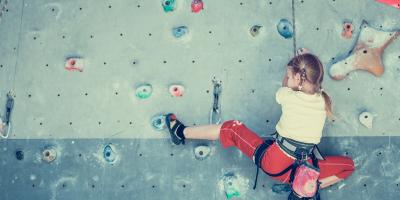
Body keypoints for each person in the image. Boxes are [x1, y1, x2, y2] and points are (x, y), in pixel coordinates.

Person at [165, 53, 355, 194]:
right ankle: (305, 186)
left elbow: (285, 87)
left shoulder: (286, 95)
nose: (286, 78)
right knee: (348, 166)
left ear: (297, 79)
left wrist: (293, 74)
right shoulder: (323, 99)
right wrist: (301, 72)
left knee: (233, 128)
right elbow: (307, 83)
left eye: (289, 75)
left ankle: (180, 132)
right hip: (302, 169)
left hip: (275, 163)